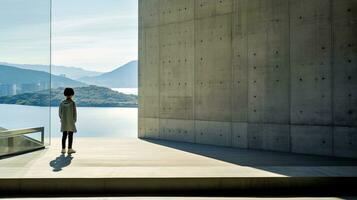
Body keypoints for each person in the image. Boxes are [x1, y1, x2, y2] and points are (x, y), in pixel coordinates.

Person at [59, 88, 77, 154]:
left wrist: (62, 119)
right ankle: (69, 149)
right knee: (70, 135)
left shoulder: (62, 103)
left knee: (64, 135)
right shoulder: (73, 103)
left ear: (65, 94)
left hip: (64, 122)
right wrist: (73, 121)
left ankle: (63, 149)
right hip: (71, 122)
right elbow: (74, 114)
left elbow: (60, 113)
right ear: (72, 94)